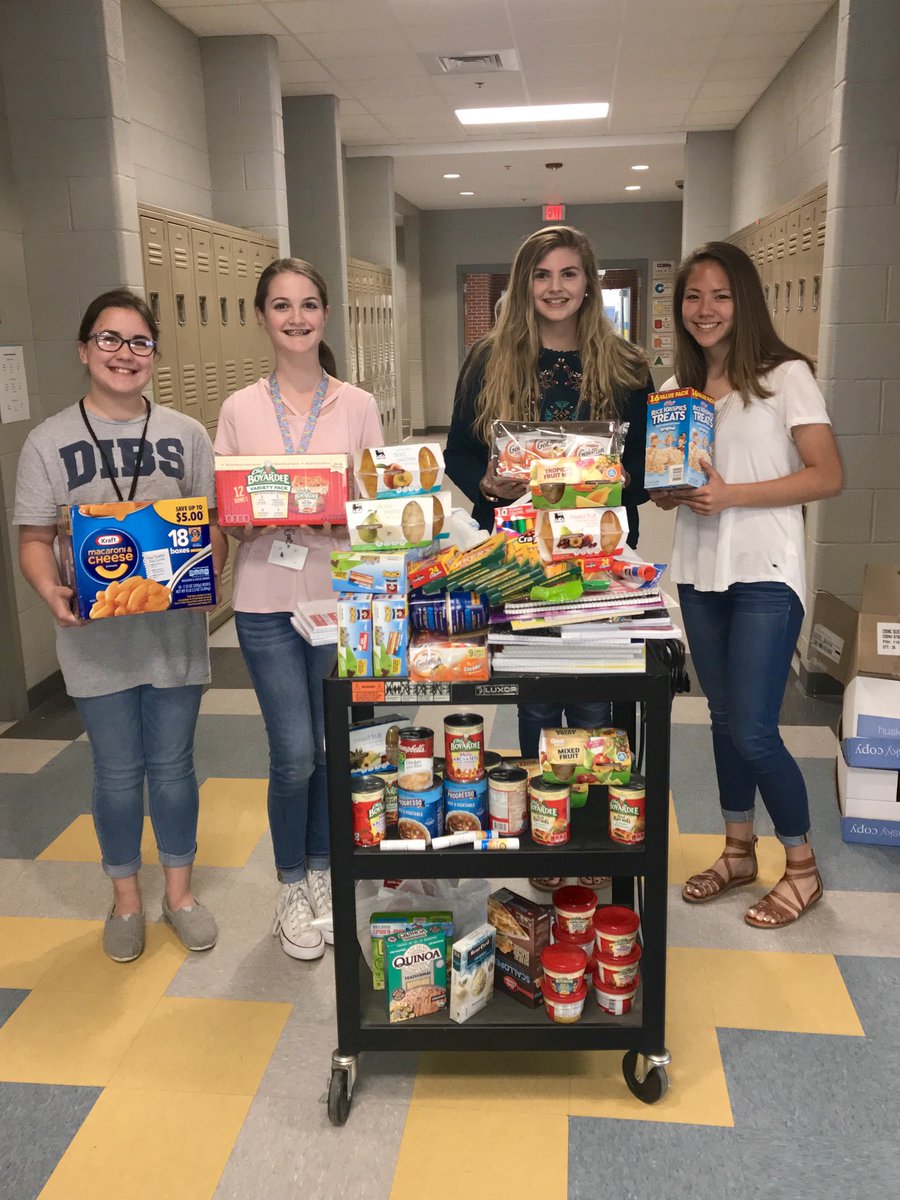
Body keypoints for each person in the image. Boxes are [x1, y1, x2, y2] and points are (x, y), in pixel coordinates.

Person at [14, 289, 225, 963]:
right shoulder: (48, 441)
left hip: (173, 639)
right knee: (115, 771)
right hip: (94, 642)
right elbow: (33, 537)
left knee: (173, 768)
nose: (124, 354)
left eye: (139, 342)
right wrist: (49, 589)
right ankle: (126, 899)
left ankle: (180, 896)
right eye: (109, 339)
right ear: (84, 350)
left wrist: (206, 574)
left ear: (154, 355)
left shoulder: (186, 434)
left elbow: (211, 528)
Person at [652, 241, 843, 927]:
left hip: (765, 572)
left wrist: (731, 496)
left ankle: (802, 867)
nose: (705, 309)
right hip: (700, 574)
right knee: (723, 718)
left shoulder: (785, 376)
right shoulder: (674, 391)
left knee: (757, 730)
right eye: (693, 296)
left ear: (746, 302)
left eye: (721, 296)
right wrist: (669, 491)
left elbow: (827, 475)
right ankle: (737, 850)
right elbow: (670, 487)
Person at [215, 258, 383, 961]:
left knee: (332, 747)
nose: (296, 318)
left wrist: (343, 517)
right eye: (281, 305)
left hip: (338, 599)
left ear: (325, 315)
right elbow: (227, 514)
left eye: (308, 304)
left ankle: (322, 869)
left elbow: (380, 507)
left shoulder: (358, 405)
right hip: (264, 602)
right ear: (262, 316)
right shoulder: (238, 408)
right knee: (292, 753)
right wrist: (248, 520)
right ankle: (290, 882)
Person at [444, 225, 653, 759]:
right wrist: (485, 484)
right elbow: (458, 452)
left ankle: (595, 799)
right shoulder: (488, 358)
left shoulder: (627, 364)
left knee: (594, 695)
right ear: (524, 283)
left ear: (588, 284)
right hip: (517, 551)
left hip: (598, 548)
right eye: (541, 275)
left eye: (568, 274)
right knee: (533, 697)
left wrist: (620, 479)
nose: (555, 287)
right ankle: (541, 800)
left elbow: (647, 462)